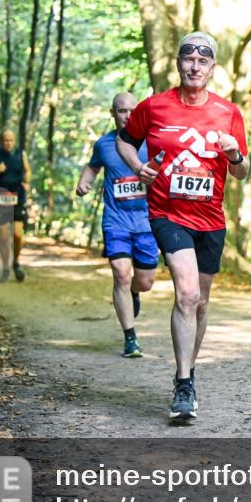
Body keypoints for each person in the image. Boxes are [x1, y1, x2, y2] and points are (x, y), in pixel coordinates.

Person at [116, 31, 249, 420]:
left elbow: (242, 172)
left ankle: (186, 375)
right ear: (178, 63)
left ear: (212, 68)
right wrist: (137, 166)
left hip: (211, 219)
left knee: (202, 302)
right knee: (187, 294)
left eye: (203, 60)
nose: (194, 65)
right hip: (167, 213)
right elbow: (126, 141)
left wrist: (235, 153)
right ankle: (184, 383)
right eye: (188, 58)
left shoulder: (228, 113)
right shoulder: (155, 107)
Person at [75, 93, 157, 358]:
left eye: (133, 110)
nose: (128, 116)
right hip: (116, 221)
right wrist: (84, 181)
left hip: (147, 222)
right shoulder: (104, 144)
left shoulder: (151, 141)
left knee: (144, 282)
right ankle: (130, 337)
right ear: (113, 113)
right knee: (121, 273)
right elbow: (92, 167)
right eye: (122, 111)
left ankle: (134, 292)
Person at [0, 129, 31, 283]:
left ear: (14, 140)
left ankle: (15, 263)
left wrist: (26, 180)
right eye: (5, 140)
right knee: (4, 237)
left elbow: (28, 170)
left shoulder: (21, 154)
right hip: (0, 199)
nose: (8, 143)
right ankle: (5, 268)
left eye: (11, 140)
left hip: (17, 197)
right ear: (1, 141)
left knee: (17, 235)